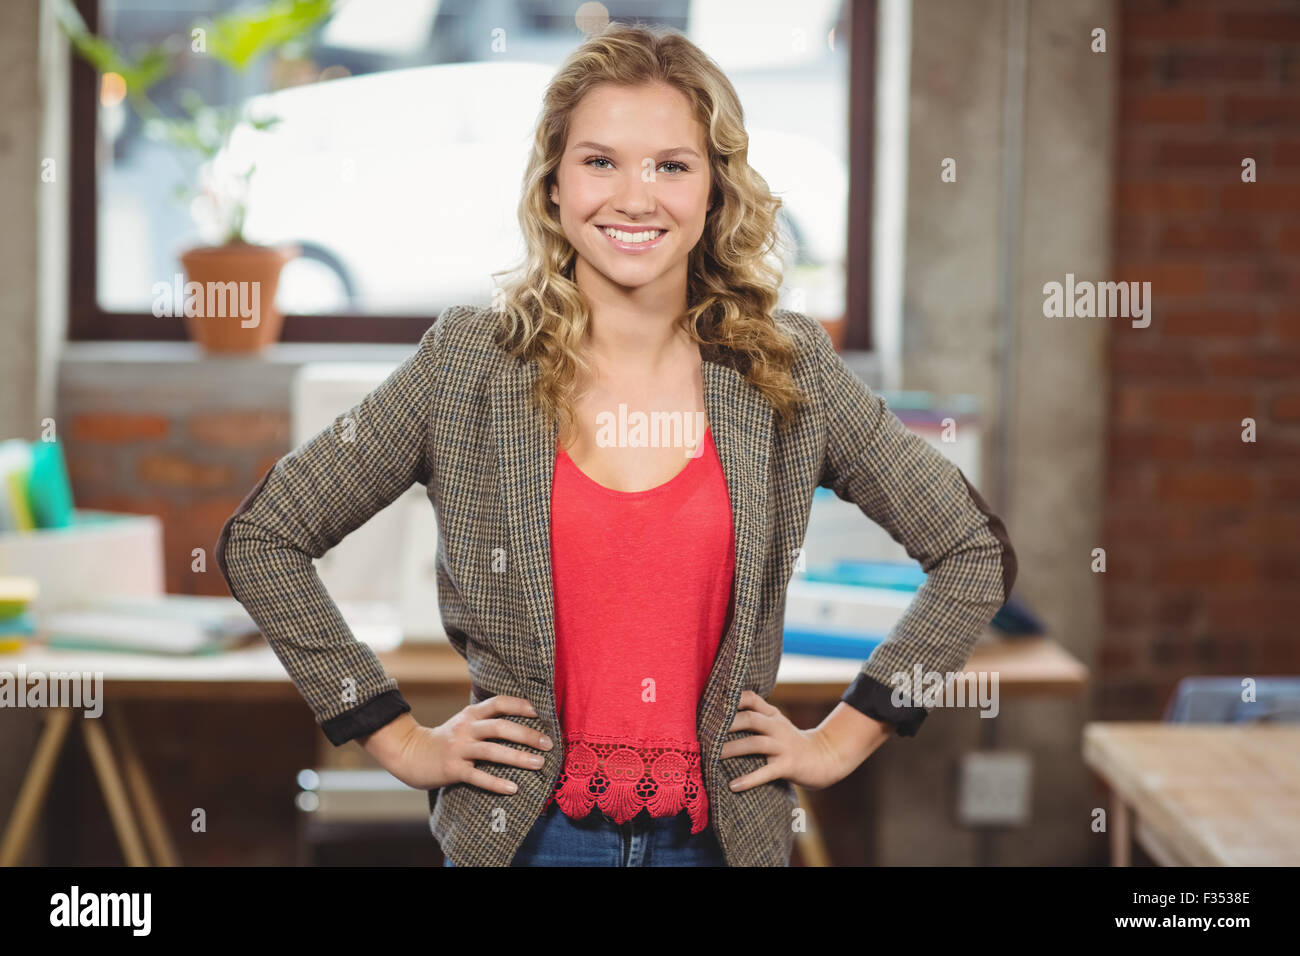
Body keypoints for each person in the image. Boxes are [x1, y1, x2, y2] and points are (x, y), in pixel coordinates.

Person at [216, 21, 1017, 868]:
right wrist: (394, 736)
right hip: (525, 841)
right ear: (554, 184)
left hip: (720, 840)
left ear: (714, 191)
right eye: (600, 161)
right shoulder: (469, 364)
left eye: (671, 165)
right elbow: (265, 539)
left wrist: (842, 737)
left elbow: (972, 553)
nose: (636, 198)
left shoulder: (787, 370)